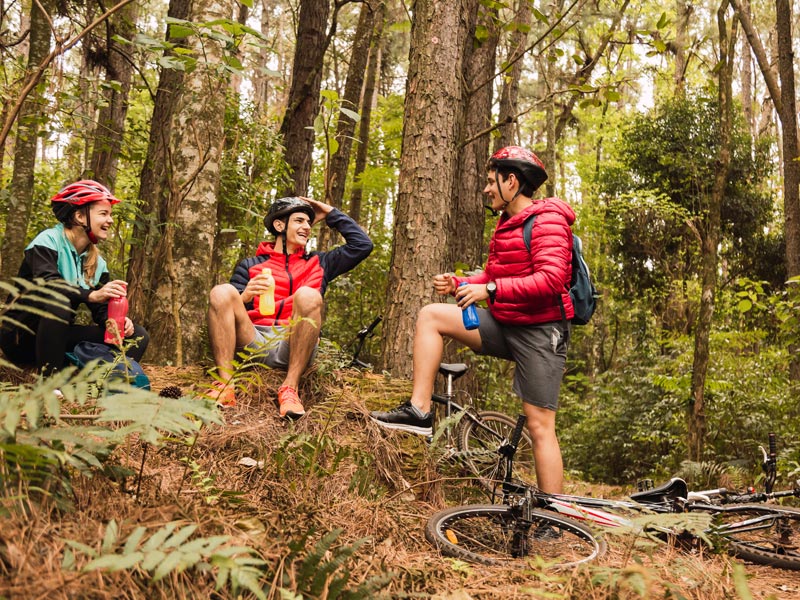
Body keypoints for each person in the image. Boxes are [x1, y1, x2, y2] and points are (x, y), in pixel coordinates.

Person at [370, 146, 574, 495]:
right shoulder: (506, 223)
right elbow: (493, 277)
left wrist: (490, 290)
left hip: (542, 332)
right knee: (431, 315)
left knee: (540, 426)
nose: (486, 189)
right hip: (506, 324)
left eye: (491, 181)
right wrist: (461, 285)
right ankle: (419, 412)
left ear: (512, 181)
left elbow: (552, 280)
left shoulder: (549, 220)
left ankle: (553, 515)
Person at [206, 196, 373, 418]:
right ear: (279, 225)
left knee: (308, 295)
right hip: (252, 339)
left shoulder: (320, 263)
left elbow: (363, 245)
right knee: (221, 291)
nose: (307, 227)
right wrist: (245, 296)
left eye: (308, 223)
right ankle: (225, 386)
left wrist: (330, 213)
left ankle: (290, 388)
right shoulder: (251, 265)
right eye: (299, 221)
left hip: (293, 343)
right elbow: (227, 309)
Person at [0, 180, 149, 376]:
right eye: (103, 214)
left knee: (138, 334)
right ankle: (50, 382)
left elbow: (100, 311)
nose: (110, 220)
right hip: (21, 338)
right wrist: (91, 295)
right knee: (58, 302)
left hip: (58, 338)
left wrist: (116, 321)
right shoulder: (48, 241)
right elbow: (48, 284)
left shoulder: (97, 263)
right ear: (79, 216)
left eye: (110, 214)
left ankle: (105, 381)